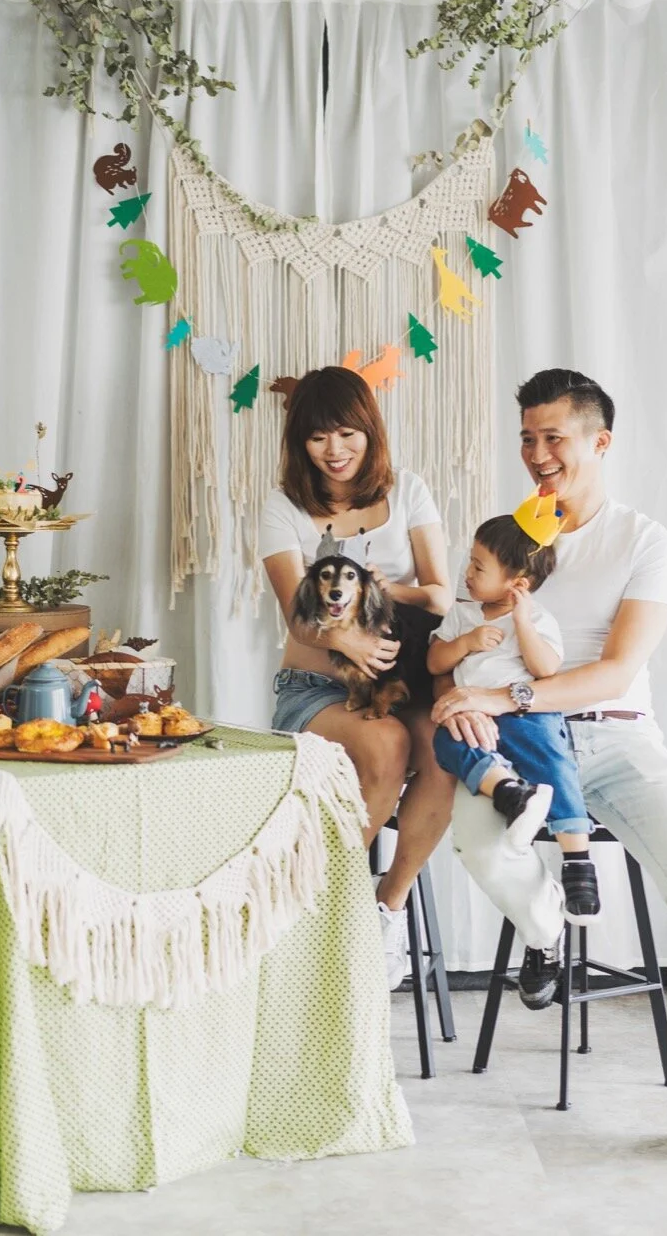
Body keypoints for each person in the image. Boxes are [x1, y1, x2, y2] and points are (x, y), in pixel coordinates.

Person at [431, 368, 667, 1160]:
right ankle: (546, 931)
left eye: (554, 437)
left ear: (599, 441)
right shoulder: (505, 539)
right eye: (527, 439)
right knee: (480, 843)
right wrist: (458, 701)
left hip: (616, 737)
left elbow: (614, 672)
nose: (537, 454)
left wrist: (504, 694)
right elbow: (455, 643)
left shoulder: (644, 541)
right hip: (512, 744)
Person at [259, 366, 456, 988]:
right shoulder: (283, 507)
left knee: (447, 749)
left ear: (370, 431)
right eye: (318, 437)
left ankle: (384, 910)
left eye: (347, 433)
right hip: (316, 688)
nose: (335, 450)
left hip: (400, 684)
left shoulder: (409, 491)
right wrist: (346, 637)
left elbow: (441, 596)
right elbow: (298, 620)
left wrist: (380, 591)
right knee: (389, 744)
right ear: (301, 443)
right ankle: (316, 911)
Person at [428, 509, 601, 933]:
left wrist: (522, 624)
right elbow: (435, 663)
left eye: (478, 567)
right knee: (446, 744)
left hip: (525, 714)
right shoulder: (463, 615)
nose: (467, 573)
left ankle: (577, 858)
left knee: (552, 760)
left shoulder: (537, 620)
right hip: (474, 719)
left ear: (517, 583)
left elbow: (545, 670)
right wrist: (465, 643)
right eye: (470, 562)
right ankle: (509, 792)